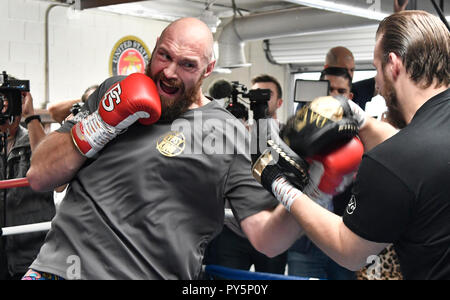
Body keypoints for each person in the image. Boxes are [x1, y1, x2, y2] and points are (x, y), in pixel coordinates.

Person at [23, 18, 296, 280]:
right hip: (53, 270)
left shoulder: (228, 133)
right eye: (164, 56)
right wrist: (99, 124)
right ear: (154, 47)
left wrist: (315, 183)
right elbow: (39, 175)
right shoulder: (114, 90)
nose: (169, 72)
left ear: (207, 69)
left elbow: (267, 239)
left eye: (187, 64)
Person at [257, 10, 449, 280]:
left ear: (393, 65)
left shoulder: (393, 160)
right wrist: (362, 121)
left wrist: (282, 186)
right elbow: (421, 153)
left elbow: (350, 251)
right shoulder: (417, 146)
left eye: (375, 69)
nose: (377, 84)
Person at [204, 74, 287, 275]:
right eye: (255, 94)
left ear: (279, 102)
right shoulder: (233, 132)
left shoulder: (288, 135)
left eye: (266, 95)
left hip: (272, 228)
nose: (261, 100)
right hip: (231, 230)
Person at [287, 66, 357, 280]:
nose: (334, 96)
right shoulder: (298, 133)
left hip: (344, 244)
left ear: (350, 96)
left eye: (341, 91)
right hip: (304, 244)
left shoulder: (363, 135)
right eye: (328, 89)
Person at [0, 91, 55, 280]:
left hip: (31, 252)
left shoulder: (34, 139)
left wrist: (30, 116)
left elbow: (52, 170)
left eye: (8, 101)